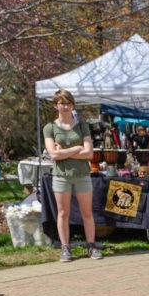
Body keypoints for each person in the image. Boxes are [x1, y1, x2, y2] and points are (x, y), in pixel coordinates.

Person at [42, 89, 101, 262]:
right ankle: (65, 247)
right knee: (63, 212)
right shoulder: (50, 128)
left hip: (82, 174)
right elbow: (53, 154)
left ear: (73, 105)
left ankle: (91, 245)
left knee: (87, 212)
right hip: (61, 175)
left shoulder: (82, 126)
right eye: (62, 103)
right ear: (56, 105)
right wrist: (76, 149)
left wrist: (66, 152)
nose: (65, 106)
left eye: (68, 103)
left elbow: (89, 153)